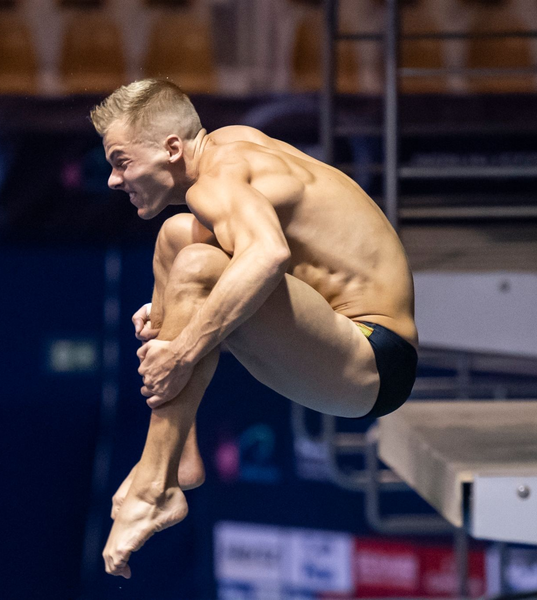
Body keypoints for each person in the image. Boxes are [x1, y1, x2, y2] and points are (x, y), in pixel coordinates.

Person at [89, 79, 418, 579]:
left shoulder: (213, 184)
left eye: (121, 162)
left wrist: (181, 350)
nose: (114, 180)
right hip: (340, 335)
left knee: (196, 266)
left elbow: (268, 254)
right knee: (176, 239)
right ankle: (180, 458)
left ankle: (153, 487)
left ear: (172, 149)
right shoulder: (230, 144)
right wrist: (176, 308)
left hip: (373, 358)